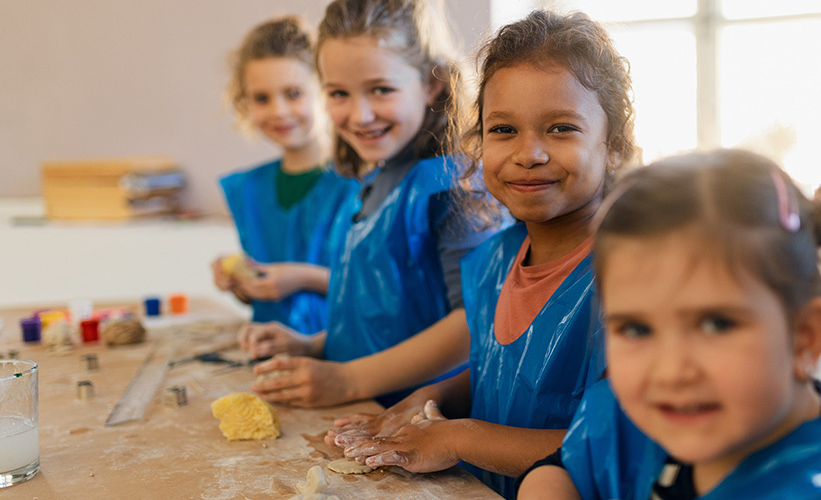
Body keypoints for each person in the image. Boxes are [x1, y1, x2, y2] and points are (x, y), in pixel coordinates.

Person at [516, 150, 821, 500]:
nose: (670, 370)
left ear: (805, 337)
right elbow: (559, 470)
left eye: (716, 324)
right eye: (635, 329)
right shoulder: (639, 419)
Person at [328, 11, 637, 499]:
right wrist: (434, 396)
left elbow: (619, 449)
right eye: (504, 130)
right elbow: (505, 373)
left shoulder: (633, 278)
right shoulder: (493, 261)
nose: (528, 152)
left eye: (560, 128)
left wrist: (458, 436)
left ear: (614, 146)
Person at [237, 0, 493, 407]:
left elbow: (474, 325)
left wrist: (346, 380)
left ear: (433, 82)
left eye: (381, 89)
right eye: (339, 93)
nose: (360, 115)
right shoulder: (375, 180)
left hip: (429, 426)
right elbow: (387, 316)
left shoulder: (453, 185)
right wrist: (313, 346)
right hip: (366, 414)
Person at [213, 16, 355, 335]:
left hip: (347, 362)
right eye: (262, 98)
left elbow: (386, 294)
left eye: (293, 94)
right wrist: (242, 282)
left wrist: (304, 278)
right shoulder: (247, 190)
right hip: (270, 358)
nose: (279, 111)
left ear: (326, 91)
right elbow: (267, 298)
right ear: (244, 102)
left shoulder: (360, 183)